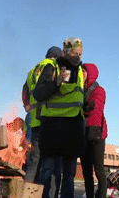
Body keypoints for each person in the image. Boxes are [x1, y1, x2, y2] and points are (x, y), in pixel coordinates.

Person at [34, 38, 86, 198]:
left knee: (69, 172)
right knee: (48, 170)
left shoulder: (81, 71)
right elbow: (38, 94)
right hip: (53, 128)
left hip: (73, 128)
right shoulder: (52, 67)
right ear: (64, 53)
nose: (77, 57)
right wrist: (56, 83)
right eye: (73, 53)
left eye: (79, 54)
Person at [23, 46, 63, 183]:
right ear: (57, 56)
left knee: (34, 161)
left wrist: (27, 106)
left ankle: (27, 191)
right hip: (47, 115)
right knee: (47, 163)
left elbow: (25, 91)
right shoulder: (54, 66)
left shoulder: (33, 70)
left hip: (33, 117)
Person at [80, 63, 108, 198]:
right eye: (81, 71)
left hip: (96, 134)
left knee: (99, 169)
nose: (82, 73)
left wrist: (84, 107)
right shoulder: (79, 90)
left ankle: (101, 196)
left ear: (90, 73)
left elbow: (95, 110)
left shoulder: (99, 90)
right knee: (86, 171)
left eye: (84, 71)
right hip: (83, 134)